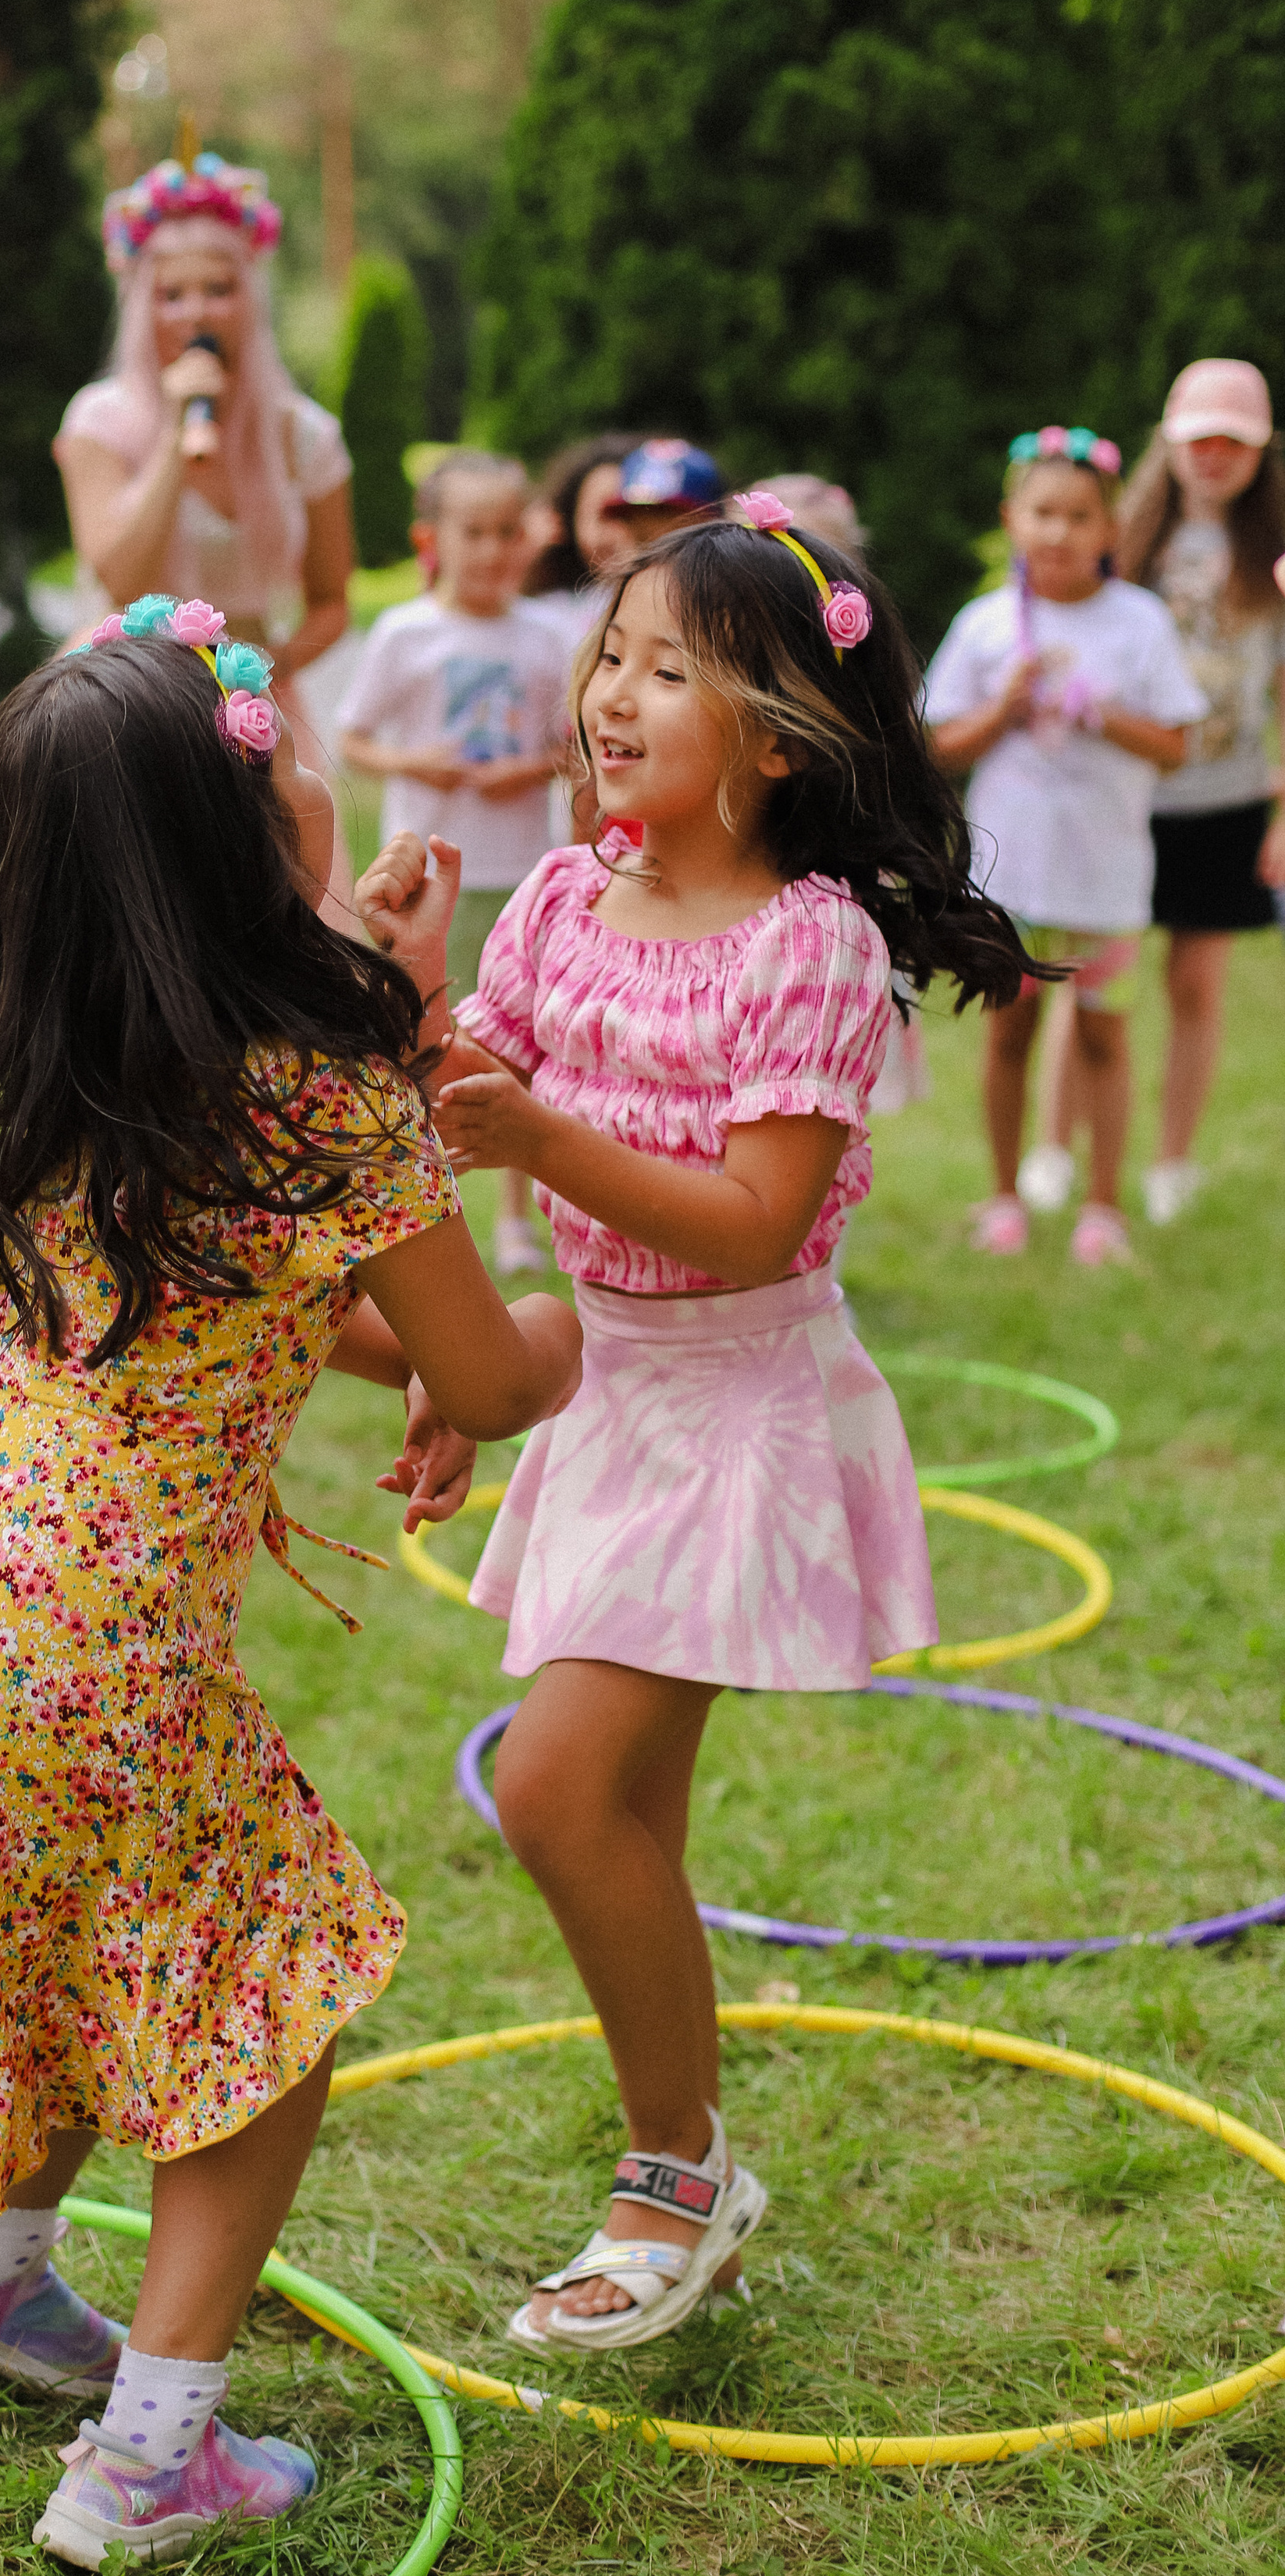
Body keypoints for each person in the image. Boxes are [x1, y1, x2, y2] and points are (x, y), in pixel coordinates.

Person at [0, 601, 580, 2570]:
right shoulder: (323, 1097)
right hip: (88, 1649)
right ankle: (152, 2457)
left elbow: (258, 1289)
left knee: (67, 1940)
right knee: (257, 2014)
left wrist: (375, 1011)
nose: (316, 771)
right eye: (277, 749)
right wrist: (571, 1327)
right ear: (232, 846)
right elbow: (479, 1368)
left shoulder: (63, 1044)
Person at [357, 494, 1033, 2356]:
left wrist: (536, 1137)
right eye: (612, 654)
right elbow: (466, 1080)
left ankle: (675, 2171)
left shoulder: (804, 944)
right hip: (603, 1380)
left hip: (738, 1404)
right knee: (618, 1800)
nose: (612, 692)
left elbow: (744, 1218)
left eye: (669, 667)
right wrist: (416, 990)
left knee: (560, 1785)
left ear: (774, 731)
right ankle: (686, 2165)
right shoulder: (567, 891)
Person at [924, 425, 1205, 1265]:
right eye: (1042, 513)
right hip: (1011, 881)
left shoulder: (1139, 624)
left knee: (1102, 1041)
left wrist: (1100, 713)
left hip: (1105, 880)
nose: (1058, 531)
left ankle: (1102, 1206)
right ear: (1011, 519)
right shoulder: (983, 626)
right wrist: (1004, 707)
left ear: (1109, 529)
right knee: (1008, 1034)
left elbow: (1175, 744)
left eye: (1079, 516)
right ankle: (1005, 1198)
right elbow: (938, 747)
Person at [52, 154, 356, 907]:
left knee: (272, 912)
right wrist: (174, 443)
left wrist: (265, 665)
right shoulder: (101, 422)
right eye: (171, 294)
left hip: (255, 699)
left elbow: (332, 603)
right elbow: (119, 576)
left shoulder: (305, 438)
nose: (195, 314)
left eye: (217, 291)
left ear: (248, 301)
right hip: (120, 695)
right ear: (141, 306)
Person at [1025, 362, 1285, 1226]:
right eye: (1198, 437)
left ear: (1258, 451)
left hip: (1227, 794)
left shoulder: (1274, 548)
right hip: (1121, 795)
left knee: (1194, 987)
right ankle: (1053, 1149)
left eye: (1233, 442)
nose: (1213, 456)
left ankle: (1171, 1162)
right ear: (1168, 442)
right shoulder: (1121, 539)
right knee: (1089, 979)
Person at [336, 450, 575, 1277]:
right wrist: (414, 764)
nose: (493, 549)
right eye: (474, 531)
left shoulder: (550, 634)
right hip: (428, 886)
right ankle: (418, 1206)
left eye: (509, 530)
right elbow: (353, 737)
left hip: (520, 876)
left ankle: (512, 1215)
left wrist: (536, 766)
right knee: (421, 1042)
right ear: (432, 538)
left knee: (516, 1049)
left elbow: (569, 742)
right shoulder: (406, 632)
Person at [521, 432, 645, 657]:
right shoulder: (548, 610)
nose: (621, 534)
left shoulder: (684, 605)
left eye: (633, 516)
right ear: (569, 522)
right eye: (605, 515)